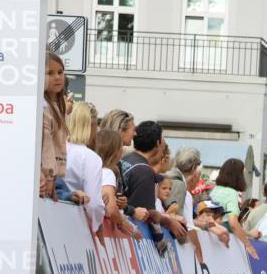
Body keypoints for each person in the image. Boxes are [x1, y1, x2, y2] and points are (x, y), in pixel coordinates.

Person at [121, 120, 186, 251]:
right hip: (129, 243)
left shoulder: (125, 159)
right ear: (157, 143)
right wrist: (168, 222)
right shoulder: (144, 171)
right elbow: (146, 214)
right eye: (163, 142)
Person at [63, 101, 105, 231]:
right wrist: (97, 224)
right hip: (75, 226)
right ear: (90, 126)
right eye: (96, 125)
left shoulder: (55, 148)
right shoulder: (90, 157)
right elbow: (94, 204)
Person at [94, 128, 140, 238]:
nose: (122, 150)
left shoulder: (93, 169)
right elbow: (110, 209)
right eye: (121, 147)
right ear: (116, 152)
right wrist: (126, 225)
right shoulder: (107, 173)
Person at [210, 157, 258, 259]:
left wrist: (249, 233)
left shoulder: (215, 190)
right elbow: (233, 223)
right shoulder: (232, 193)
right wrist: (248, 245)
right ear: (238, 176)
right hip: (225, 236)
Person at [40, 51, 69, 200]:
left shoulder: (60, 105)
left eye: (60, 72)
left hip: (56, 175)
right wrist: (49, 175)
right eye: (50, 73)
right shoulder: (43, 106)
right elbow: (46, 143)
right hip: (45, 177)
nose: (57, 77)